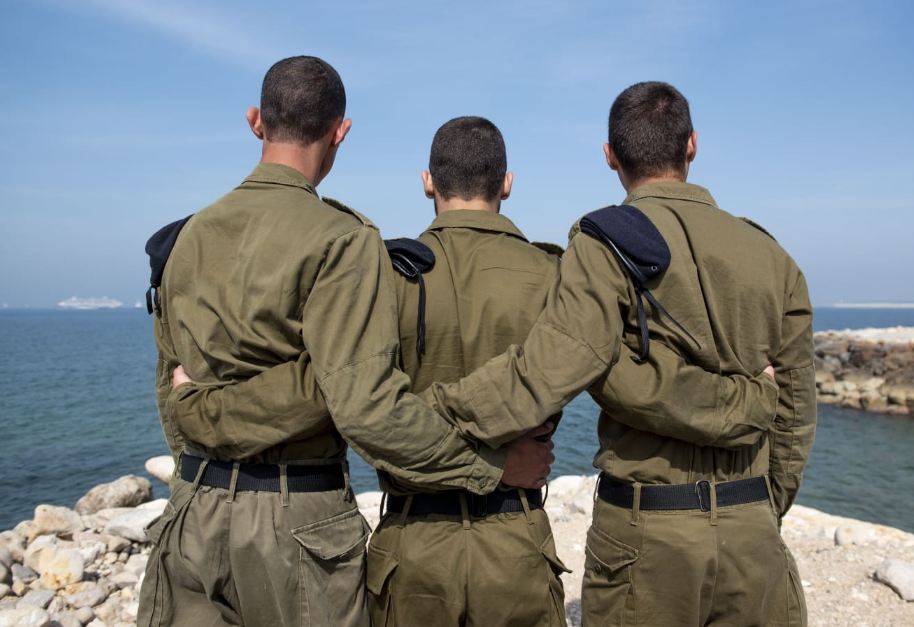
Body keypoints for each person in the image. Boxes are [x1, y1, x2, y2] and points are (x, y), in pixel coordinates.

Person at [169, 112, 784, 624]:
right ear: (507, 184)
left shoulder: (384, 277)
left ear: (427, 183)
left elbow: (348, 399)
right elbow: (623, 380)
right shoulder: (556, 275)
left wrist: (201, 406)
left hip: (410, 544)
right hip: (515, 538)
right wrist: (752, 401)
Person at [139, 57, 553, 627]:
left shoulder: (184, 238)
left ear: (256, 121)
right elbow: (362, 406)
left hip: (192, 508)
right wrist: (493, 468)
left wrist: (199, 423)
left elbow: (171, 387)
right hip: (296, 511)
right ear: (341, 131)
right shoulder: (341, 239)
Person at [422, 82, 817, 626]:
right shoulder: (773, 255)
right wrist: (762, 505)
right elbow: (795, 413)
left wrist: (428, 412)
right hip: (752, 525)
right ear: (692, 144)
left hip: (649, 528)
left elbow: (554, 369)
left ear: (610, 156)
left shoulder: (604, 242)